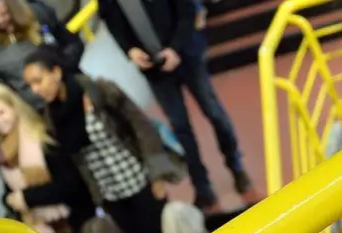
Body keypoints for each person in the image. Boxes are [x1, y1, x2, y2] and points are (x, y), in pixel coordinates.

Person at [23, 45, 183, 233]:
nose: (36, 89)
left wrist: (158, 176)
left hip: (140, 180)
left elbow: (142, 128)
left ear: (56, 72)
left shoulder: (98, 91)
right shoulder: (52, 118)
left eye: (38, 80)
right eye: (30, 85)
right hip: (110, 195)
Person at [97, 0, 253, 211]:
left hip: (187, 54)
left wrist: (175, 49)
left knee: (214, 113)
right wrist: (130, 50)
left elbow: (186, 9)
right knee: (180, 127)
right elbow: (112, 21)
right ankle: (202, 187)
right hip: (154, 69)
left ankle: (236, 165)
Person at [0, 83, 93, 233]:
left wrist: (27, 198)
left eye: (1, 112)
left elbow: (71, 184)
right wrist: (9, 200)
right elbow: (10, 190)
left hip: (74, 225)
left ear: (14, 108)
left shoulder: (41, 138)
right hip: (41, 231)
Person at [0, 0, 84, 109]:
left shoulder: (38, 14)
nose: (0, 21)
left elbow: (70, 42)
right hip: (41, 109)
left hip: (72, 86)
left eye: (4, 13)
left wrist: (63, 67)